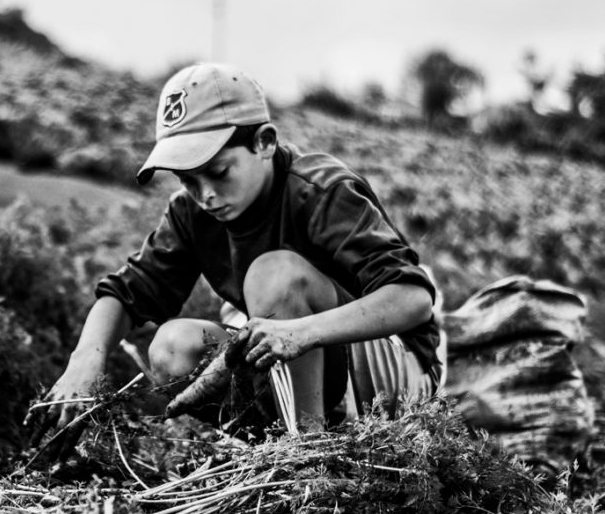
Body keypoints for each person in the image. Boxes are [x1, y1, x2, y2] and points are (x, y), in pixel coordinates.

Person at [38, 62, 441, 436]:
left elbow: (413, 299)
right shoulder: (191, 212)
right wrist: (85, 360)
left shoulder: (320, 190)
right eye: (188, 181)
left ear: (264, 142)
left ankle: (309, 456)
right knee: (172, 346)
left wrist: (302, 333)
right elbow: (127, 293)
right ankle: (273, 440)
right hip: (300, 367)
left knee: (276, 276)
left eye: (218, 172)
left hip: (393, 370)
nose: (205, 195)